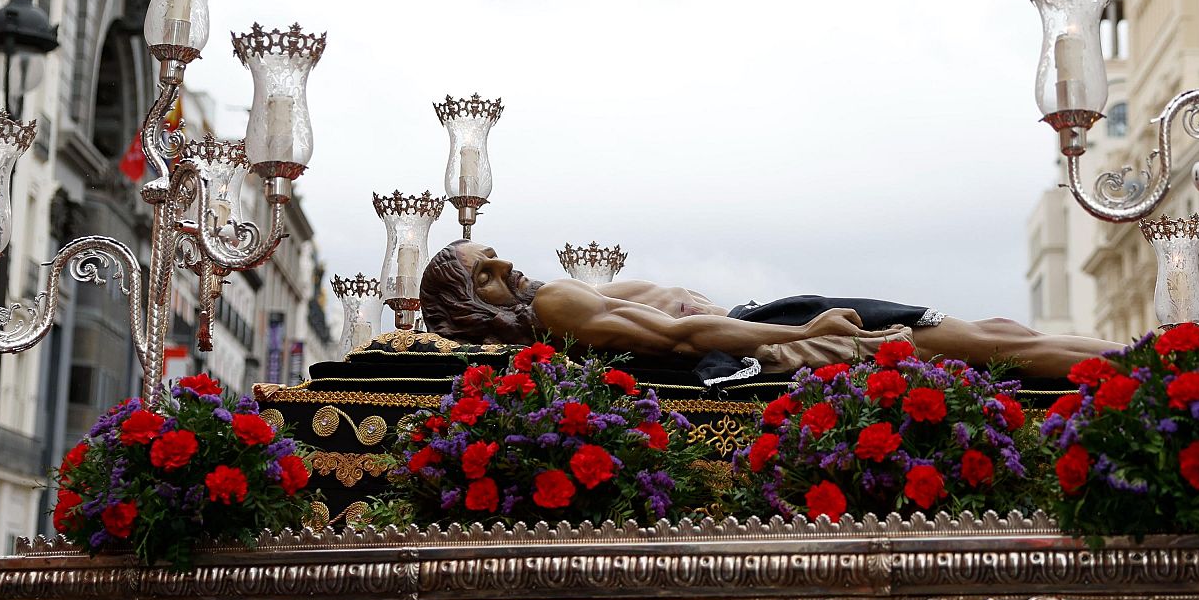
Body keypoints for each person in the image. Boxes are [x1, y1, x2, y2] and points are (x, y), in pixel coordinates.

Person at [418, 240, 1120, 378]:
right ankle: (1147, 364)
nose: (508, 269)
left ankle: (1140, 359)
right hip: (772, 334)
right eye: (486, 275)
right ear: (469, 303)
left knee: (996, 337)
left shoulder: (550, 311)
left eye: (496, 258)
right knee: (993, 343)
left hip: (764, 328)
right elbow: (682, 334)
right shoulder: (555, 302)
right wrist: (804, 328)